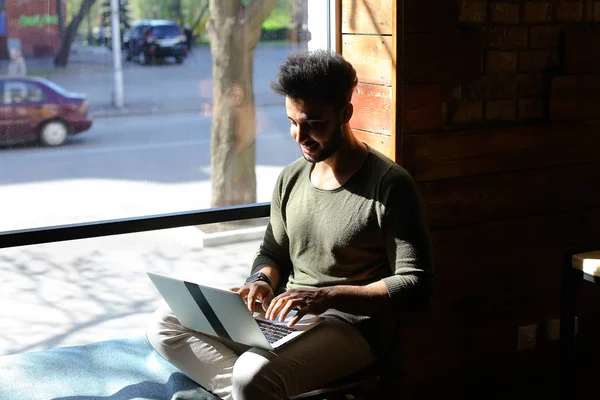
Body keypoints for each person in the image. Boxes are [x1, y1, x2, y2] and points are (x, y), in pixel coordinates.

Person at [146, 49, 433, 400]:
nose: (299, 135)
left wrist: (325, 296)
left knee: (252, 377)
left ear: (345, 113)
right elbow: (273, 252)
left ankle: (252, 389)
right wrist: (260, 282)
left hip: (351, 327)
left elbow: (415, 283)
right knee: (165, 321)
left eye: (313, 124)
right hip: (286, 312)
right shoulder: (291, 178)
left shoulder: (390, 185)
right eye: (293, 122)